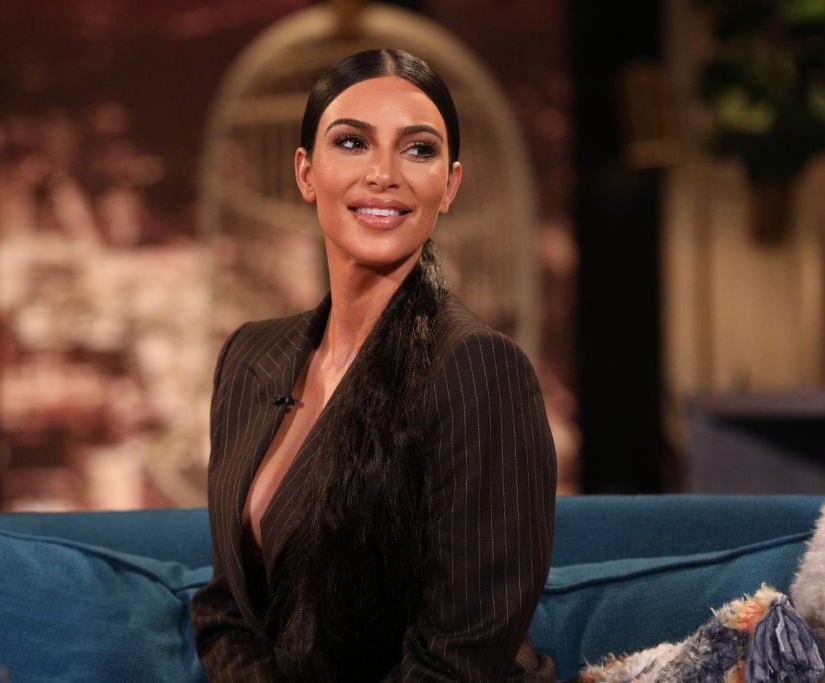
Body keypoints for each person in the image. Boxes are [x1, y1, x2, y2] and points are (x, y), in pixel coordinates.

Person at [190, 48, 557, 682]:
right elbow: (227, 610)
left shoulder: (481, 370)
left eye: (418, 150)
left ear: (450, 185)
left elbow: (461, 656)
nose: (384, 174)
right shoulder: (249, 357)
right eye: (352, 143)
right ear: (306, 172)